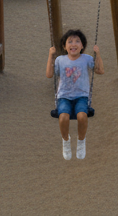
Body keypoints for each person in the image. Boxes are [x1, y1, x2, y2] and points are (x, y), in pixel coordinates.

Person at [46, 29, 103, 160]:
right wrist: (50, 55)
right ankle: (66, 141)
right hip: (64, 96)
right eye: (70, 41)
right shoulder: (60, 60)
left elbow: (100, 71)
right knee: (63, 117)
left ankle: (81, 142)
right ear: (64, 46)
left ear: (82, 46)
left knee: (82, 116)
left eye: (77, 41)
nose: (74, 44)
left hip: (81, 96)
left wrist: (98, 54)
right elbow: (49, 74)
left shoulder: (87, 59)